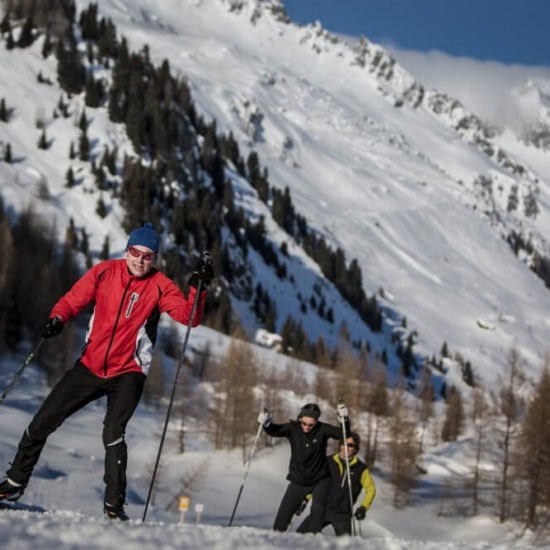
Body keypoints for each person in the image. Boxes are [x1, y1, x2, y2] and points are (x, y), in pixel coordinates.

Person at [0, 223, 213, 520]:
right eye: (136, 253)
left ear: (155, 259)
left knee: (113, 432)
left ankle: (114, 506)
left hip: (129, 370)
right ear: (127, 251)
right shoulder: (104, 272)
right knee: (42, 421)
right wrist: (58, 318)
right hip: (90, 365)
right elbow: (74, 299)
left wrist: (197, 288)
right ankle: (13, 483)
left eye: (148, 256)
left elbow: (189, 317)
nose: (140, 260)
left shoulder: (160, 285)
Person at [258, 402, 350, 533]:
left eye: (311, 425)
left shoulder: (322, 429)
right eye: (304, 423)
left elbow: (344, 434)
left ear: (316, 422)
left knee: (317, 513)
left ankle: (311, 543)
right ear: (300, 418)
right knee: (281, 522)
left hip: (320, 480)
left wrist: (344, 420)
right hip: (298, 481)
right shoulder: (293, 428)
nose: (307, 427)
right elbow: (274, 430)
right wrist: (266, 423)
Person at [297, 432, 376, 536]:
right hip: (322, 510)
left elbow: (371, 490)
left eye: (350, 445)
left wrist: (363, 508)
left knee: (345, 546)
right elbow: (316, 484)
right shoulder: (327, 462)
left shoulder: (360, 469)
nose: (346, 447)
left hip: (343, 516)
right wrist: (305, 499)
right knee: (299, 537)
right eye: (343, 443)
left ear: (356, 449)